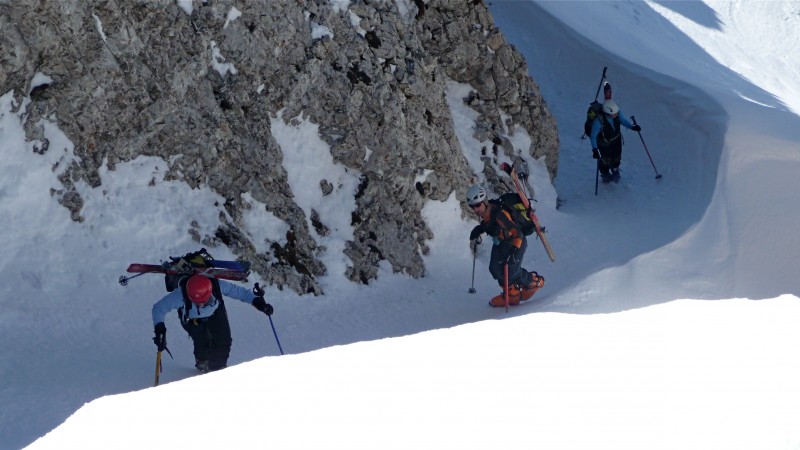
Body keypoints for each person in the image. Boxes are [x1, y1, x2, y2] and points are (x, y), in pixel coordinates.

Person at [152, 274, 273, 373]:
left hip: (215, 312)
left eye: (203, 301)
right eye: (195, 301)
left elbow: (241, 293)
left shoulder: (217, 285)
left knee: (224, 341)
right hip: (192, 320)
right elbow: (159, 309)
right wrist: (160, 328)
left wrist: (258, 303)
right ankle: (202, 362)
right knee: (202, 342)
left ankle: (217, 371)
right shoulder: (180, 295)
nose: (199, 304)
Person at [466, 184, 544, 307]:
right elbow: (491, 225)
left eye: (477, 205)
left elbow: (517, 233)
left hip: (516, 242)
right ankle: (512, 295)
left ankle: (533, 282)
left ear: (484, 202)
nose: (475, 209)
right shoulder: (487, 213)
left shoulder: (499, 214)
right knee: (495, 269)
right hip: (502, 242)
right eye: (472, 206)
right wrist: (480, 229)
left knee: (512, 270)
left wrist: (514, 251)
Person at [590, 98, 641, 183]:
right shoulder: (598, 121)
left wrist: (632, 127)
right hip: (604, 144)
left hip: (616, 141)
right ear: (608, 113)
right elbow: (593, 137)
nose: (617, 114)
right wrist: (595, 149)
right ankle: (605, 174)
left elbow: (623, 120)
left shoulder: (617, 113)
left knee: (617, 157)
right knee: (605, 160)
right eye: (614, 113)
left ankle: (615, 169)